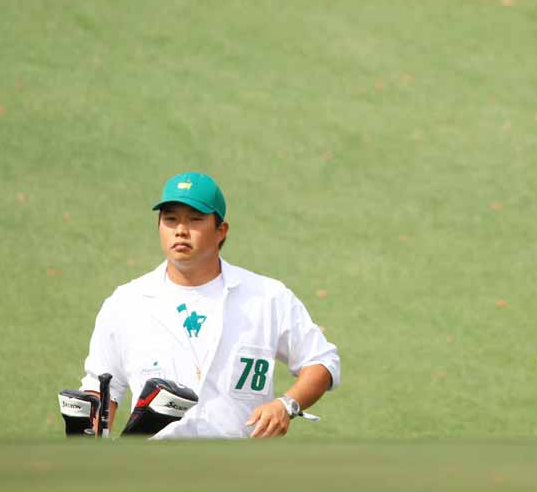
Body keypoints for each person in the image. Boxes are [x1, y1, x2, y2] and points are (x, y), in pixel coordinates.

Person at [77, 172, 340, 439]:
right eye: (170, 219)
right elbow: (101, 390)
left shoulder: (267, 297)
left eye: (195, 219)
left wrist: (286, 404)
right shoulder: (126, 304)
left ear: (221, 231)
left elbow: (321, 361)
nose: (180, 229)